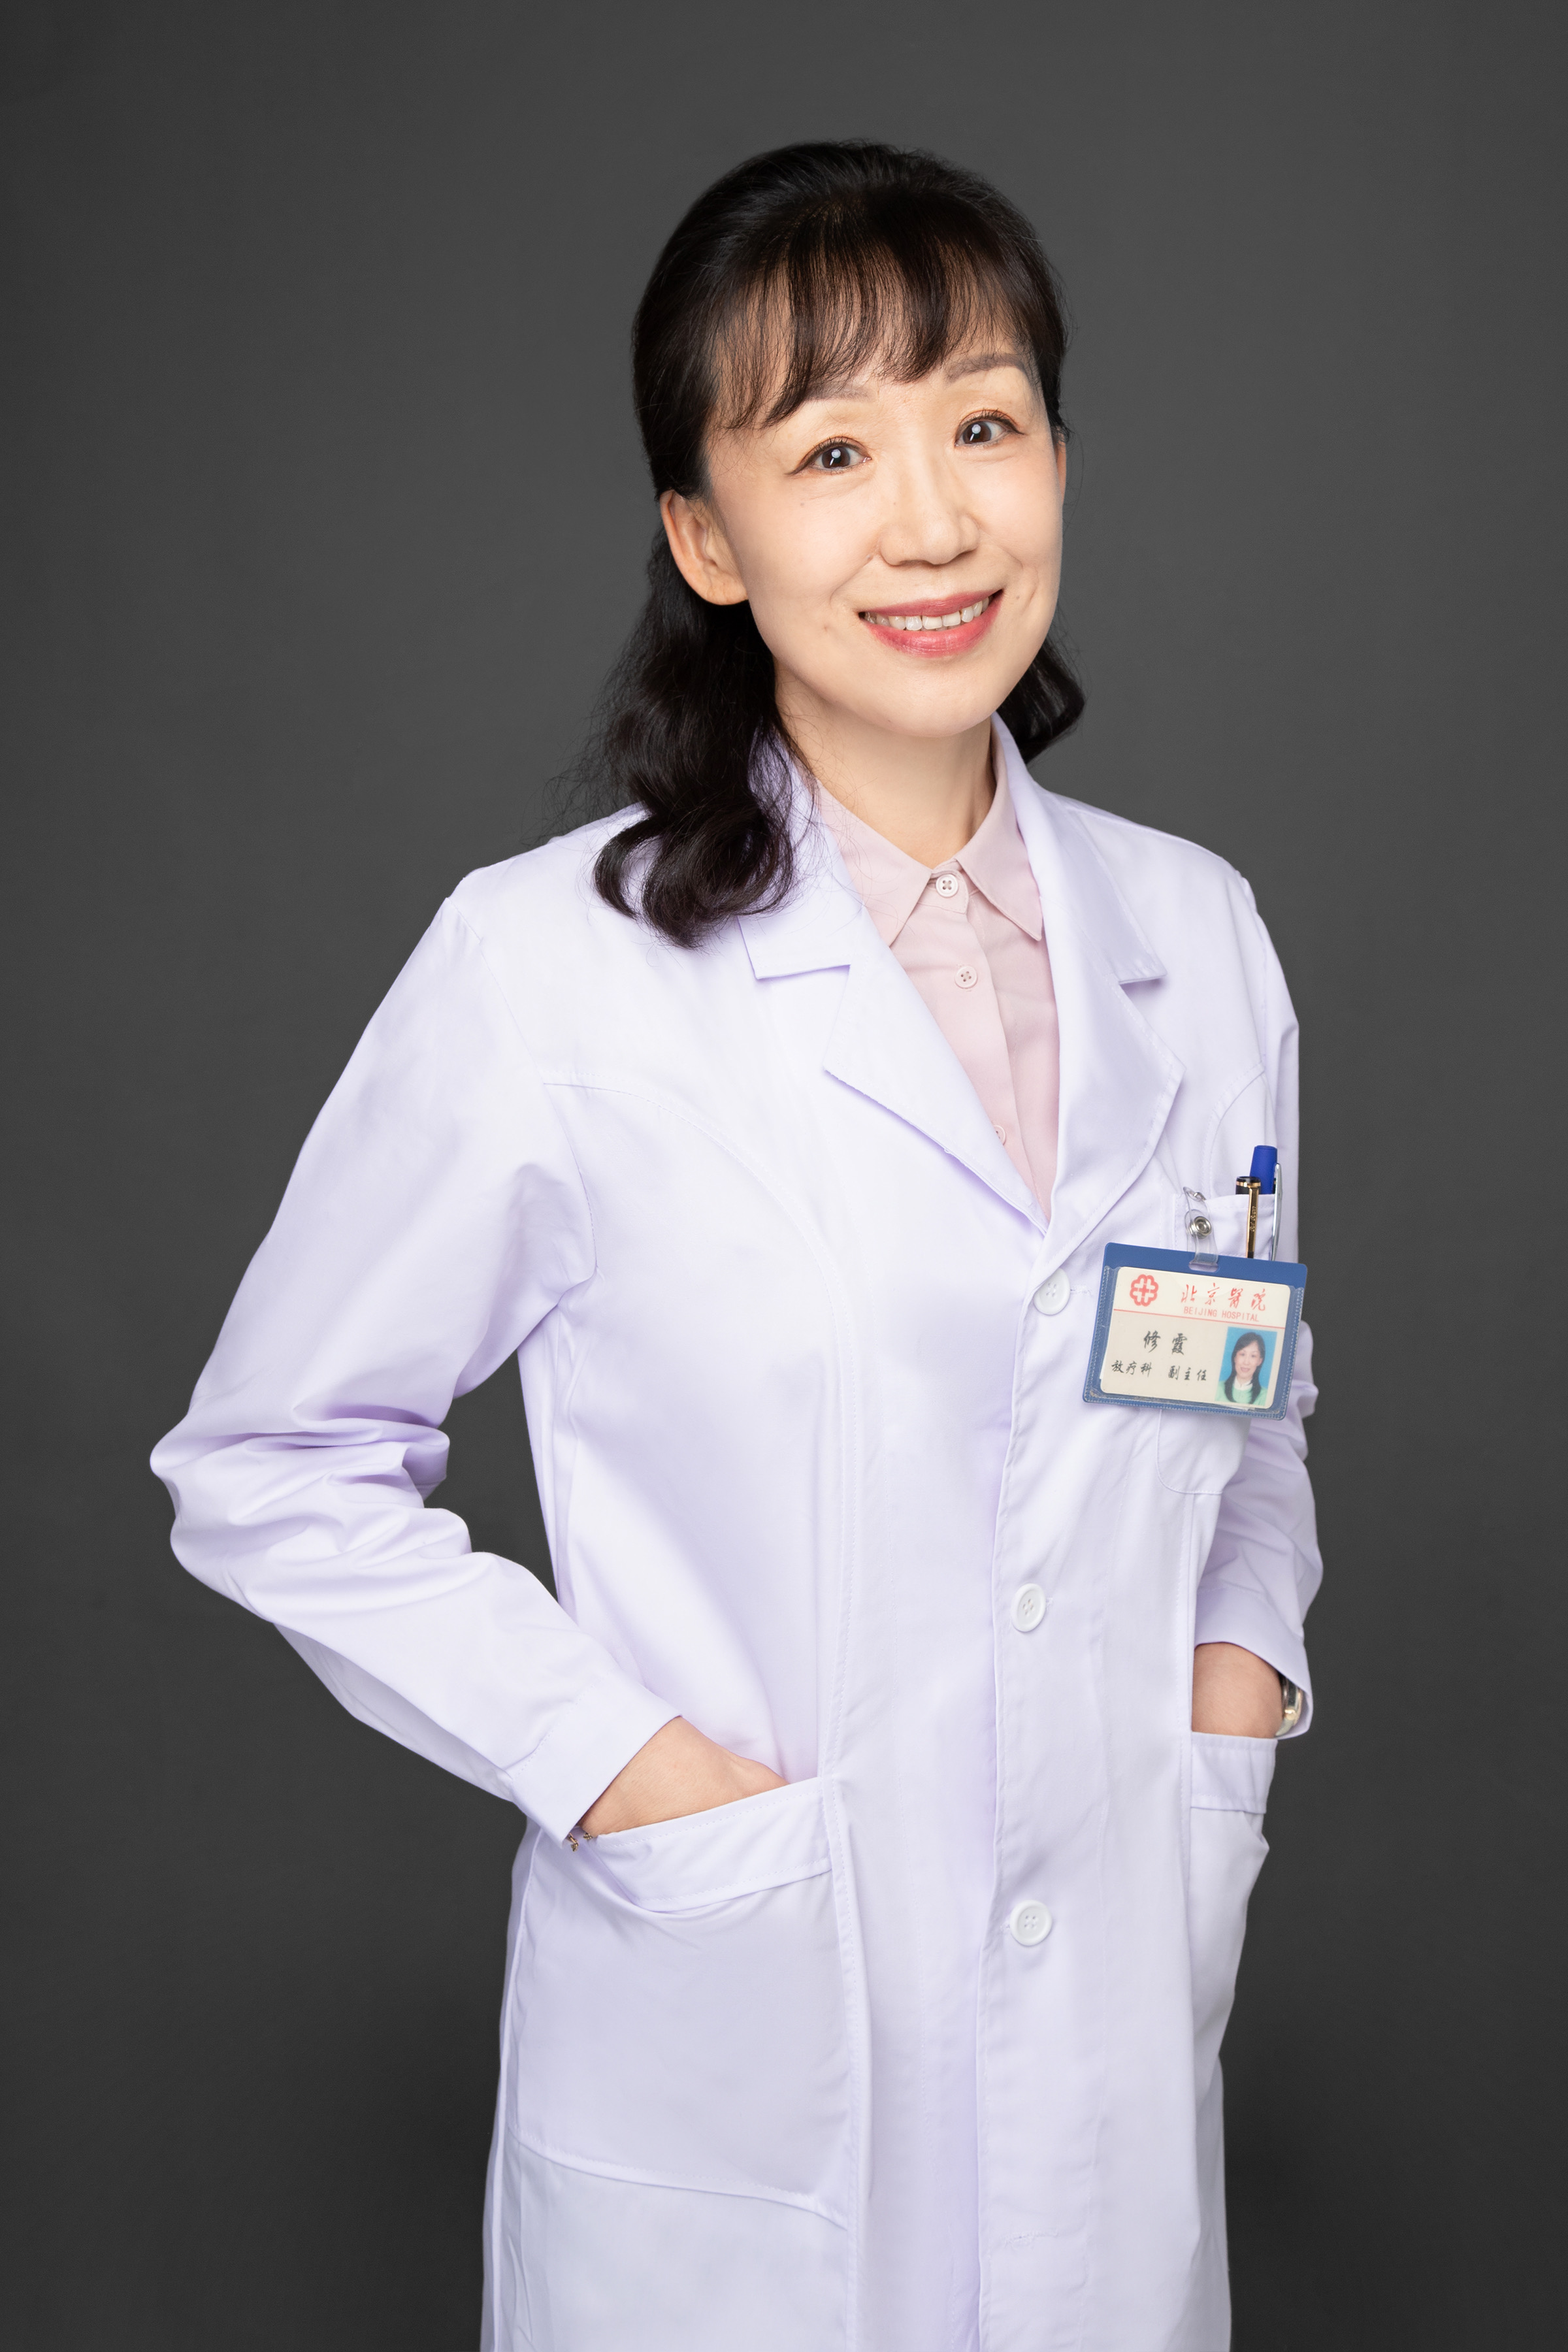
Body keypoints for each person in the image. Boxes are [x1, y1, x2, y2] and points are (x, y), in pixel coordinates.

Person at [152, 141, 1321, 2352]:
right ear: (708, 536)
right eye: (831, 452)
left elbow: (1244, 1414)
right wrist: (631, 1774)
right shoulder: (545, 970)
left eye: (985, 425)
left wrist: (1229, 1693)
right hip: (739, 2055)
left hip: (1109, 2079)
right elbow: (271, 1464)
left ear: (1059, 463)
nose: (933, 522)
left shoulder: (1202, 939)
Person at [1222, 1330, 1270, 1406]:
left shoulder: (1266, 1397)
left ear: (1260, 1361)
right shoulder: (1217, 1389)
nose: (1246, 1362)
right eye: (1242, 1354)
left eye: (1253, 1356)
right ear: (1235, 1357)